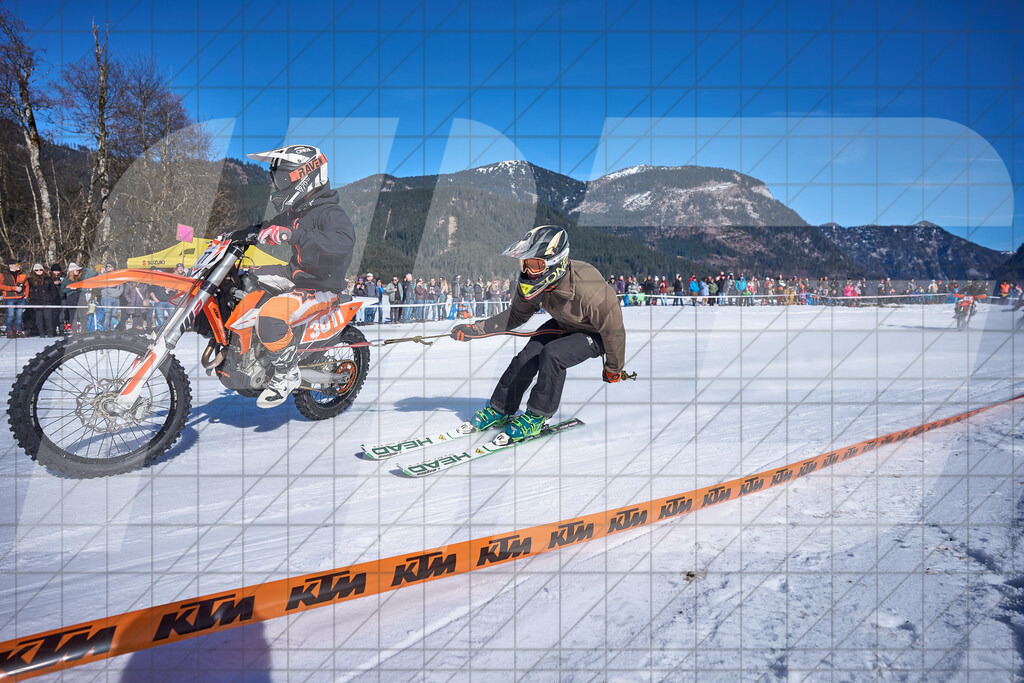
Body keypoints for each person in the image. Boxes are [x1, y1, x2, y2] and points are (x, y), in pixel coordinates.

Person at [449, 226, 627, 442]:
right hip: (565, 324)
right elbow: (514, 317)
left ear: (556, 263)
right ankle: (501, 409)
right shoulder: (533, 282)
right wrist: (475, 330)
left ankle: (537, 417)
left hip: (594, 333)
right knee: (528, 355)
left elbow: (613, 329)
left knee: (553, 354)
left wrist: (614, 368)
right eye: (525, 263)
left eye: (535, 264)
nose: (527, 271)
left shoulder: (589, 289)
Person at [235, 144, 357, 409]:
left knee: (271, 315)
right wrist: (237, 235)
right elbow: (268, 226)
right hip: (295, 274)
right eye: (275, 179)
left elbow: (344, 242)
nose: (278, 186)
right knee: (241, 280)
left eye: (282, 180)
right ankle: (241, 352)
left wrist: (293, 235)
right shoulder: (298, 211)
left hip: (321, 285)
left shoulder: (330, 213)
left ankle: (286, 372)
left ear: (306, 176)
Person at [27, 263, 60, 337]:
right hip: (36, 302)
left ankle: (50, 333)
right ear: (34, 271)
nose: (39, 271)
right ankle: (41, 333)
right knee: (39, 319)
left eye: (40, 269)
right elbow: (27, 290)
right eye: (37, 270)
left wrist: (50, 298)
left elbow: (53, 291)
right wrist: (31, 298)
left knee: (48, 318)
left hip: (47, 301)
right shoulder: (31, 280)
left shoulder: (48, 279)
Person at [1, 259, 27, 337]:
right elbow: (1, 285)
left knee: (19, 315)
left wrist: (26, 296)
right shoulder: (3, 274)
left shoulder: (22, 274)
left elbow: (26, 285)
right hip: (9, 297)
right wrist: (13, 288)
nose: (18, 266)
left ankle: (19, 331)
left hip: (21, 298)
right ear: (10, 265)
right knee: (10, 315)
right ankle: (9, 331)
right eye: (16, 264)